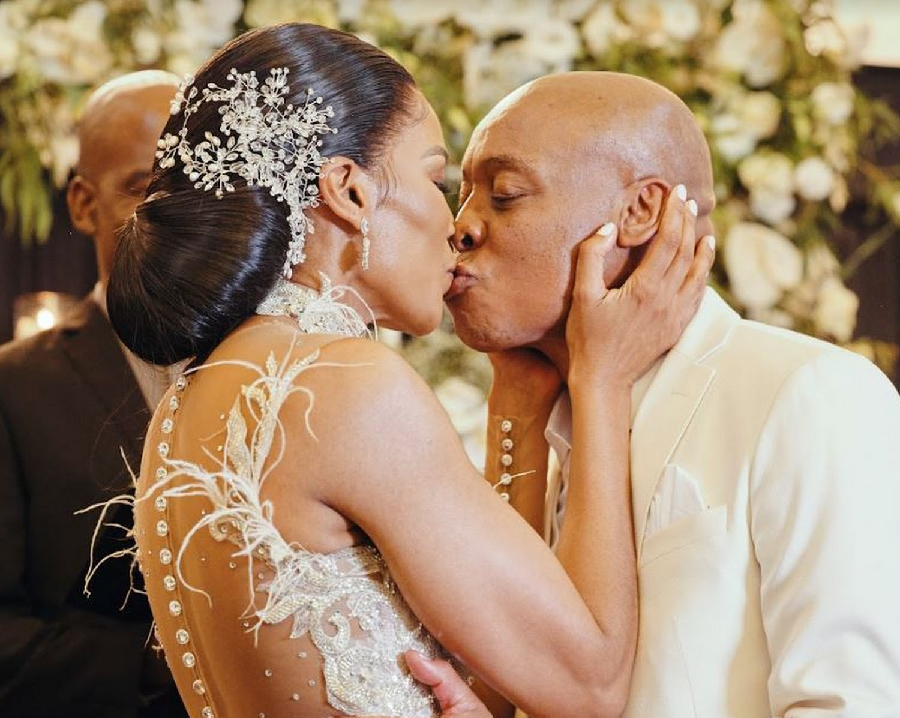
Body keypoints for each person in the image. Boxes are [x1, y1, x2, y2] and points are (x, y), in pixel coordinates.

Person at [100, 23, 713, 718]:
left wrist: (515, 409)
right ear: (349, 192)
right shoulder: (342, 385)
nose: (456, 225)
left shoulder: (192, 398)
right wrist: (601, 381)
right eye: (436, 178)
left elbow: (502, 670)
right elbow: (588, 683)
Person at [447, 70, 900, 717]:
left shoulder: (809, 391)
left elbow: (852, 703)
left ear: (639, 213)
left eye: (504, 195)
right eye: (462, 195)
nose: (461, 226)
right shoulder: (536, 419)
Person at [0, 72, 188, 715]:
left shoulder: (275, 367)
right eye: (146, 187)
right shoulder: (14, 389)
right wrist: (175, 657)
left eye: (196, 183)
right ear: (83, 204)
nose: (178, 212)